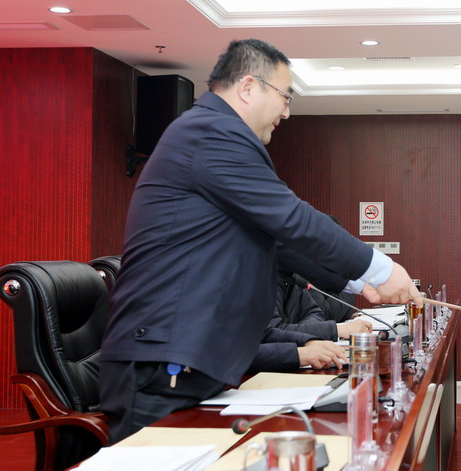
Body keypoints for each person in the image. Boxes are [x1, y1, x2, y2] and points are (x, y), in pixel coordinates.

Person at [99, 38, 421, 443]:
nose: (287, 112)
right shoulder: (211, 132)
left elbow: (277, 239)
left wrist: (357, 283)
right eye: (285, 97)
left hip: (188, 360)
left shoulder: (213, 133)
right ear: (249, 87)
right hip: (163, 361)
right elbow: (291, 217)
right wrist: (381, 269)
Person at [269, 268, 371, 340]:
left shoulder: (292, 277)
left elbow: (314, 312)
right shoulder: (266, 279)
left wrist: (306, 334)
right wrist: (335, 330)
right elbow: (272, 333)